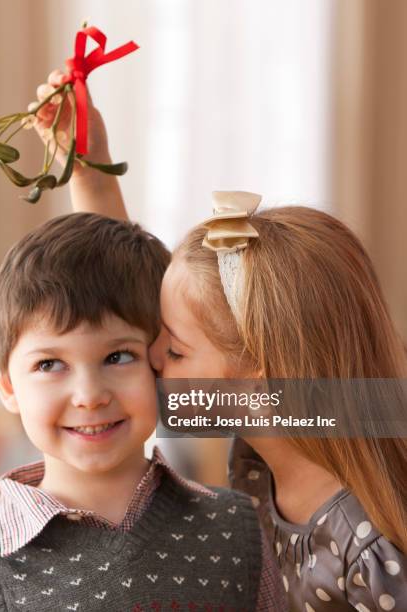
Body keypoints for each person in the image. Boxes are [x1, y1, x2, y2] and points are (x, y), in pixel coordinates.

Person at [34, 71, 407, 611]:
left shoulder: (369, 544)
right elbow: (118, 295)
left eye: (176, 349)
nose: (150, 355)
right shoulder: (264, 441)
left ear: (259, 366)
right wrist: (89, 164)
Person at [0, 213, 286, 610]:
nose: (89, 396)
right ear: (6, 383)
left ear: (161, 359)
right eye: (50, 364)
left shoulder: (238, 528)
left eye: (118, 356)